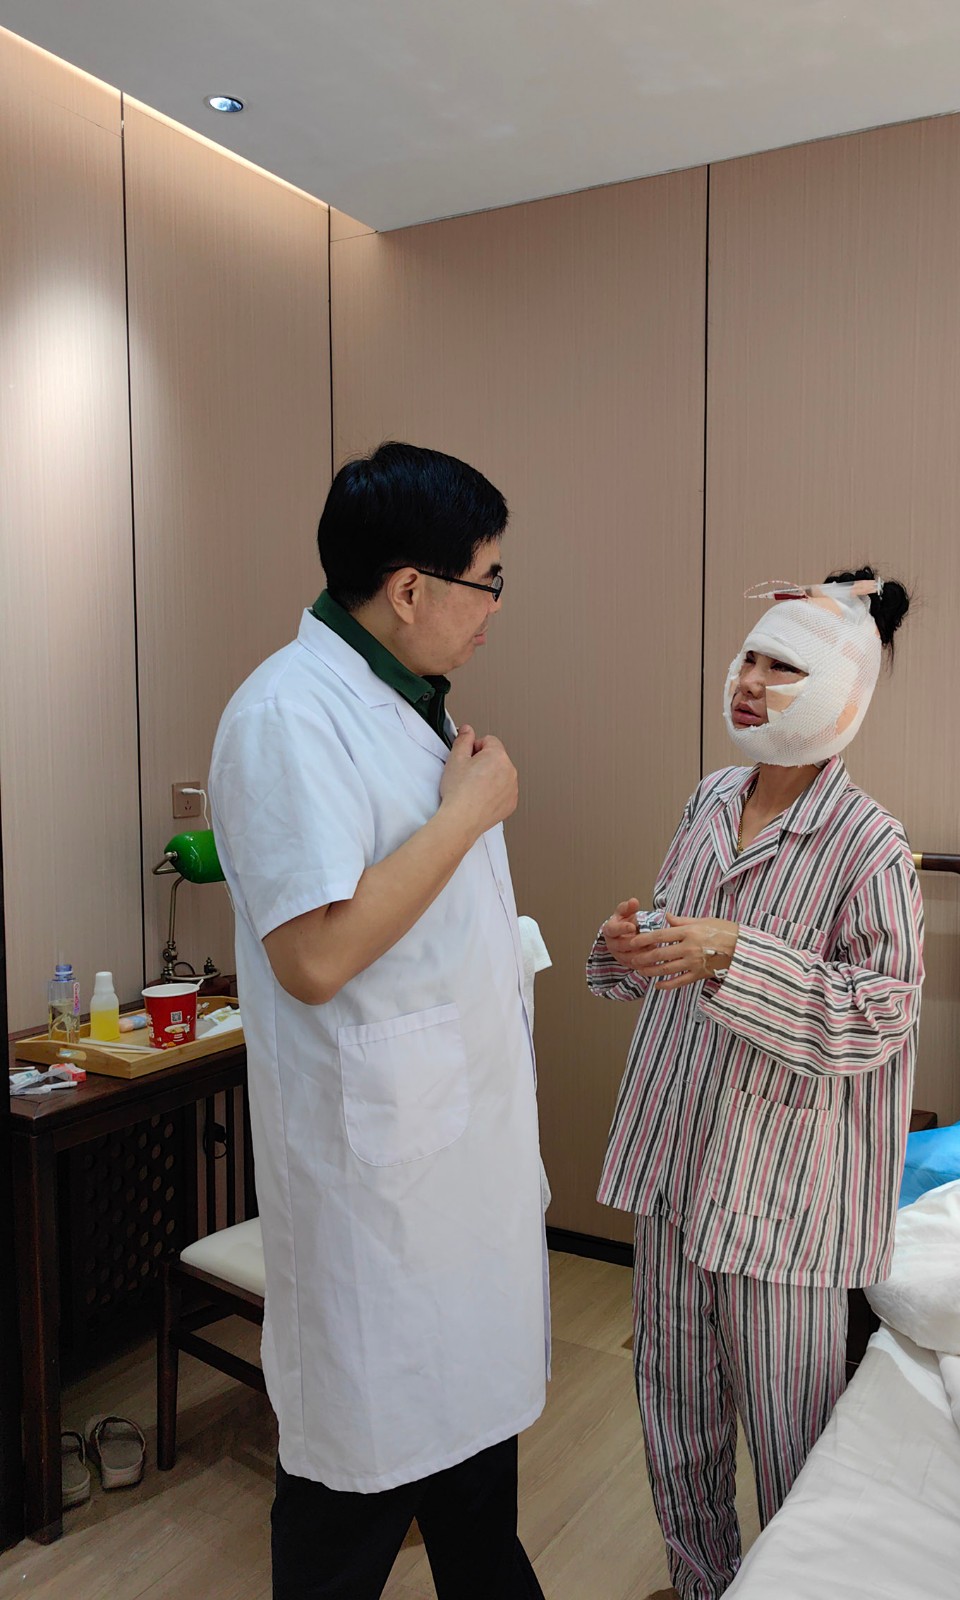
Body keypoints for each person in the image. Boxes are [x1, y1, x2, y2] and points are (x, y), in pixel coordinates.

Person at [209, 441, 548, 1600]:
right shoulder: (285, 714)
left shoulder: (405, 710)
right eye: (486, 581)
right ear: (410, 588)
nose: (494, 608)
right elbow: (313, 956)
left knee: (474, 1495)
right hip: (379, 1207)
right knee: (350, 1512)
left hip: (451, 1183)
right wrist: (469, 814)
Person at [587, 568, 924, 1600]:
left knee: (793, 1438)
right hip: (674, 1158)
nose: (750, 682)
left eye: (784, 667)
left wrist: (738, 954)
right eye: (749, 659)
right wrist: (629, 946)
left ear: (843, 690)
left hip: (783, 1193)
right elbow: (676, 943)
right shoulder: (709, 799)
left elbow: (882, 1012)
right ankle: (701, 1587)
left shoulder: (871, 845)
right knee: (674, 1414)